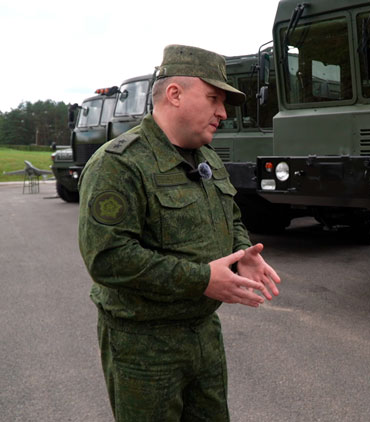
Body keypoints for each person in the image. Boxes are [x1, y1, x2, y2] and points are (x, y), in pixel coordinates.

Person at [78, 44, 281, 421]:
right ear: (175, 94)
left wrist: (242, 253)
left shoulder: (208, 158)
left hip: (203, 333)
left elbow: (231, 215)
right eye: (213, 98)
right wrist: (201, 278)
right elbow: (108, 258)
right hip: (144, 345)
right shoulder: (119, 164)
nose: (222, 112)